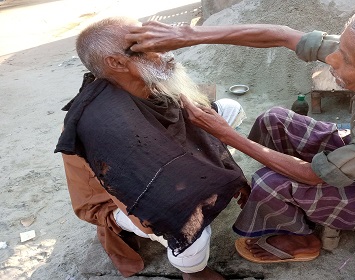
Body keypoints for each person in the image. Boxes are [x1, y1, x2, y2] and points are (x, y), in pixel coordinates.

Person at [125, 1, 355, 264]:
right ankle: (271, 201)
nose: (332, 61)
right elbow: (283, 34)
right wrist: (190, 34)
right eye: (338, 50)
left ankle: (303, 239)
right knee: (274, 119)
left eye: (345, 61)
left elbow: (314, 176)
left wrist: (226, 133)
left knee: (272, 183)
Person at [55, 17, 250, 279]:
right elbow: (151, 204)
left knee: (230, 108)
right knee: (189, 231)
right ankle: (193, 272)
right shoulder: (108, 125)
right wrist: (209, 185)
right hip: (116, 199)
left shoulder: (141, 78)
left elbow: (183, 118)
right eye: (148, 43)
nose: (165, 48)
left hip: (163, 156)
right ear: (116, 62)